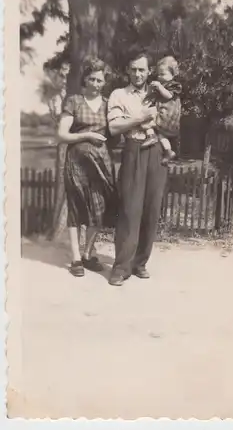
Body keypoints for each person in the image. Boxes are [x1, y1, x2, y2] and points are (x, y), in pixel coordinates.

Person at [107, 51, 168, 286]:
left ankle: (140, 262)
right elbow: (114, 127)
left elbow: (172, 117)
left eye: (142, 69)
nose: (138, 73)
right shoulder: (119, 94)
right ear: (127, 71)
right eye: (133, 69)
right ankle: (121, 267)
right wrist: (140, 117)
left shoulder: (158, 93)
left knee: (151, 210)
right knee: (130, 209)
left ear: (149, 71)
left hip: (157, 151)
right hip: (133, 148)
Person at [57, 57, 118, 277]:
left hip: (102, 164)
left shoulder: (108, 103)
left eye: (100, 80)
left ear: (104, 82)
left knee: (99, 210)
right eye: (91, 79)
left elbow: (117, 130)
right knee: (76, 208)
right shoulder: (74, 101)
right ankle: (75, 259)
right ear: (84, 79)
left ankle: (88, 253)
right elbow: (62, 134)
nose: (95, 84)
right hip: (77, 163)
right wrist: (87, 135)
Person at [141, 55, 182, 165]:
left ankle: (151, 136)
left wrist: (159, 87)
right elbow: (149, 99)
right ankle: (168, 151)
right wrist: (150, 91)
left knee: (146, 122)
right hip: (163, 116)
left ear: (173, 74)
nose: (159, 77)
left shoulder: (174, 85)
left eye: (163, 74)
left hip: (168, 117)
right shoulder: (161, 85)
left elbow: (168, 96)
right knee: (161, 135)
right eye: (158, 74)